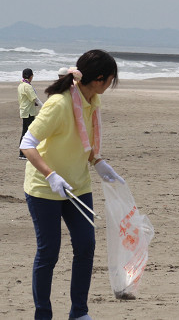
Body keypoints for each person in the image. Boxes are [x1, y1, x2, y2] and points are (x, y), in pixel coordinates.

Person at [19, 50, 124, 320]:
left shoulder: (93, 101)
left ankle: (79, 312)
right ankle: (43, 314)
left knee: (86, 246)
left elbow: (82, 139)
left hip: (78, 186)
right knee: (49, 252)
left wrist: (99, 163)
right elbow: (27, 145)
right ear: (100, 78)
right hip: (45, 189)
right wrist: (51, 175)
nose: (110, 85)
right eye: (111, 79)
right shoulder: (60, 104)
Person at [18, 68, 43, 160]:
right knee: (28, 132)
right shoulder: (27, 86)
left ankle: (23, 153)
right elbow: (35, 99)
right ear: (31, 76)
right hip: (28, 112)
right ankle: (23, 153)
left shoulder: (21, 85)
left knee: (25, 131)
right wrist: (44, 107)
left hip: (24, 110)